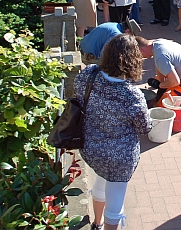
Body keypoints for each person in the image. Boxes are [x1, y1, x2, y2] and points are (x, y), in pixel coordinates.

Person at [75, 34, 152, 230]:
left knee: (100, 184)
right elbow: (145, 128)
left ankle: (97, 224)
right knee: (115, 201)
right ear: (134, 60)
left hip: (91, 148)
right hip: (120, 157)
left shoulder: (89, 74)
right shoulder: (132, 95)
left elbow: (77, 94)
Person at [135, 37, 181, 109]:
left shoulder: (160, 57)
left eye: (138, 55)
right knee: (163, 81)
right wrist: (160, 81)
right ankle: (165, 91)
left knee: (161, 109)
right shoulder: (157, 43)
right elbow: (159, 64)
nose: (140, 57)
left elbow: (175, 82)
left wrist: (161, 85)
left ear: (141, 50)